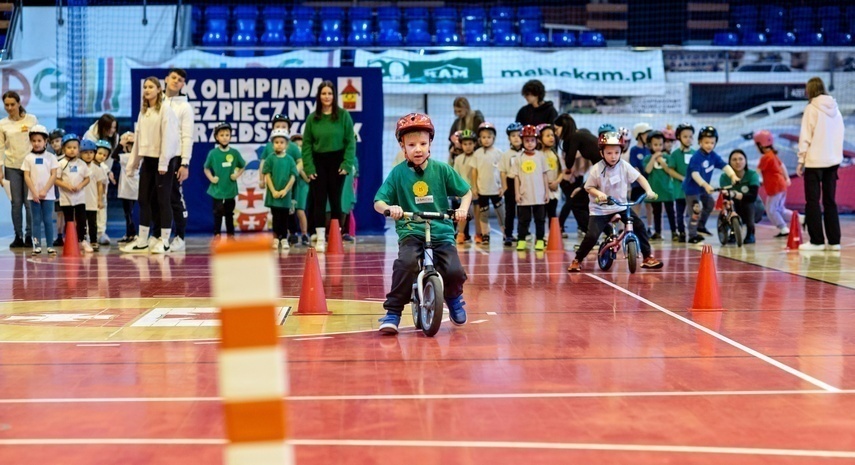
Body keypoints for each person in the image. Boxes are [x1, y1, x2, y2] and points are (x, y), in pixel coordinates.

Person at [374, 113, 471, 335]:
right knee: (406, 264)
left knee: (454, 270)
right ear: (402, 146)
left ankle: (454, 297)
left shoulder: (442, 169)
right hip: (412, 230)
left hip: (441, 231)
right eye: (411, 144)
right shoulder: (398, 174)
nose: (417, 149)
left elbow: (466, 192)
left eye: (422, 144)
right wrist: (391, 208)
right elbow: (378, 201)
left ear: (430, 144)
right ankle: (393, 312)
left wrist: (463, 208)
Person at [567, 131, 663, 272]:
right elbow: (589, 187)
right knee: (592, 236)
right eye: (609, 153)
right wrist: (599, 194)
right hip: (600, 208)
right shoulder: (596, 169)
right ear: (602, 153)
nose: (613, 156)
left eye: (617, 153)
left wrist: (648, 190)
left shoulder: (624, 166)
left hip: (621, 206)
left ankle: (648, 257)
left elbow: (640, 178)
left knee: (640, 226)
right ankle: (578, 259)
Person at [122, 76, 180, 254]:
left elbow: (169, 138)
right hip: (148, 160)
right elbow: (139, 141)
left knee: (163, 200)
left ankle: (164, 241)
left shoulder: (165, 110)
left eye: (151, 87)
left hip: (164, 161)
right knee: (143, 199)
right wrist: (132, 165)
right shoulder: (143, 112)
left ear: (158, 90)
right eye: (145, 87)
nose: (147, 90)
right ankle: (142, 240)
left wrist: (163, 162)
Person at [302, 80, 356, 253]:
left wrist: (347, 163)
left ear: (334, 96)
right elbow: (307, 145)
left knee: (335, 200)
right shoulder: (312, 118)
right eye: (324, 93)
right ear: (319, 96)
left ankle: (335, 236)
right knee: (318, 200)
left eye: (330, 94)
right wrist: (309, 168)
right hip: (318, 162)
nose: (327, 97)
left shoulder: (343, 115)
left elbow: (350, 142)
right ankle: (319, 237)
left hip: (337, 161)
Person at [797, 77, 844, 251]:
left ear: (810, 89)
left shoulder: (811, 108)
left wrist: (801, 160)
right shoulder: (836, 109)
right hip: (833, 162)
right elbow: (840, 135)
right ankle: (834, 242)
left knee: (812, 201)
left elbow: (805, 136)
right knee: (830, 201)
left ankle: (816, 241)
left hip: (815, 161)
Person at [684, 126, 740, 244]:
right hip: (692, 189)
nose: (709, 145)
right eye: (706, 142)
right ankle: (692, 235)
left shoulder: (713, 155)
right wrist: (705, 185)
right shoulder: (696, 157)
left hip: (704, 189)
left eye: (712, 142)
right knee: (696, 210)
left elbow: (724, 165)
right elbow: (695, 174)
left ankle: (701, 226)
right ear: (700, 142)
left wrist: (733, 175)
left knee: (709, 204)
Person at [259, 114, 309, 246]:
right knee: (276, 211)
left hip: (291, 185)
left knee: (290, 210)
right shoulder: (269, 148)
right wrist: (262, 179)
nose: (280, 128)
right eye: (277, 126)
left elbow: (300, 161)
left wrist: (293, 173)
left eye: (283, 126)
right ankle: (278, 236)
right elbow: (263, 163)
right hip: (274, 184)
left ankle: (292, 234)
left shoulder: (292, 147)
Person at [0, 91, 39, 248]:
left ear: (18, 103)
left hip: (30, 167)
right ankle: (18, 236)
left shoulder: (31, 119)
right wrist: (0, 169)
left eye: (12, 104)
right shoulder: (2, 124)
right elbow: (0, 147)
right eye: (6, 105)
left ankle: (30, 236)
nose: (9, 107)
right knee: (16, 203)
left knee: (29, 203)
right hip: (11, 167)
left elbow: (39, 141)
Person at [162, 68, 195, 251]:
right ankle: (160, 236)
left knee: (175, 197)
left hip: (175, 159)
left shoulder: (184, 107)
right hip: (157, 158)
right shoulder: (155, 104)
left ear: (183, 85)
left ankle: (180, 237)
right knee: (158, 199)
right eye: (173, 77)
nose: (176, 81)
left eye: (180, 80)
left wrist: (184, 163)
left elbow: (187, 137)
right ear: (166, 79)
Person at [204, 123, 246, 239]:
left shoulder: (234, 153)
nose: (225, 137)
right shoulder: (213, 153)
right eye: (221, 135)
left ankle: (230, 234)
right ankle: (217, 233)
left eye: (227, 135)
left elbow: (243, 165)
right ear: (217, 137)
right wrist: (211, 178)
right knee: (217, 212)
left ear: (230, 136)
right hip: (217, 188)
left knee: (229, 213)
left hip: (230, 188)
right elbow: (206, 168)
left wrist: (237, 175)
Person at [21, 125, 58, 255]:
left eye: (39, 140)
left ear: (45, 141)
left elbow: (54, 175)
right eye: (34, 141)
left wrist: (44, 190)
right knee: (35, 221)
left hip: (48, 195)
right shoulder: (28, 158)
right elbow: (27, 176)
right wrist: (35, 192)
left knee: (48, 220)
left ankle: (49, 245)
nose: (36, 143)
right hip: (34, 196)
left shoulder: (51, 157)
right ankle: (36, 245)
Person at [512, 125, 549, 251]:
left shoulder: (541, 156)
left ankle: (539, 240)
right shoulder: (518, 158)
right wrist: (517, 193)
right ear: (522, 141)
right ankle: (521, 239)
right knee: (523, 220)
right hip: (524, 194)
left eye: (532, 140)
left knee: (540, 220)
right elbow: (516, 177)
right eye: (527, 140)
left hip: (539, 194)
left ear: (536, 141)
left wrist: (547, 193)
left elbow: (544, 175)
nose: (529, 143)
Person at [263, 128, 298, 251]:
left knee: (284, 216)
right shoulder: (270, 159)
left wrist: (285, 190)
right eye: (276, 142)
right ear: (272, 144)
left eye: (282, 142)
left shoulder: (290, 159)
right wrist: (273, 191)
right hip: (273, 194)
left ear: (287, 144)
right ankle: (276, 237)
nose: (279, 144)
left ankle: (284, 238)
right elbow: (267, 175)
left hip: (285, 195)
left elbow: (293, 176)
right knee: (275, 216)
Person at [754, 130, 793, 238]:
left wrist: (750, 179)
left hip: (775, 187)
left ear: (760, 145)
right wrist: (787, 178)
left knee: (771, 209)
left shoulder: (765, 157)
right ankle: (802, 219)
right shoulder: (772, 155)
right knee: (780, 209)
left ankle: (783, 228)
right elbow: (782, 165)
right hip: (781, 185)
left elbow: (756, 172)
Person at [54, 134, 89, 250]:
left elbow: (87, 178)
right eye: (69, 147)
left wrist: (80, 186)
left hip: (80, 197)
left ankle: (82, 240)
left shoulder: (82, 164)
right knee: (69, 220)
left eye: (75, 147)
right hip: (66, 198)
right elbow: (56, 179)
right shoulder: (60, 164)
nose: (72, 150)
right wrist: (67, 186)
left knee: (82, 219)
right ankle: (70, 241)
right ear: (64, 149)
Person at [472, 122, 504, 244]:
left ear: (493, 138)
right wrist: (474, 187)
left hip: (496, 189)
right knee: (483, 214)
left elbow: (502, 172)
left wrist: (502, 187)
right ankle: (485, 234)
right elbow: (474, 172)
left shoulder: (499, 153)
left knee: (501, 213)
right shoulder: (477, 153)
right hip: (482, 189)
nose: (486, 140)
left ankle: (506, 233)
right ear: (480, 139)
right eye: (483, 137)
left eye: (489, 137)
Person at [719, 149, 761, 244]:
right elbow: (725, 196)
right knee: (729, 204)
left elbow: (752, 196)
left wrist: (736, 194)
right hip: (733, 203)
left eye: (740, 159)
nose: (738, 162)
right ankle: (733, 231)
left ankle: (750, 232)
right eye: (734, 159)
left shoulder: (752, 175)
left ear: (745, 161)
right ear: (729, 162)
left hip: (752, 204)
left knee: (748, 203)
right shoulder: (724, 177)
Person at [643, 131, 677, 241]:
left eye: (660, 144)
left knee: (670, 212)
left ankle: (674, 232)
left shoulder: (667, 157)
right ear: (650, 145)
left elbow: (669, 171)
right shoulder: (648, 158)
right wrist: (654, 158)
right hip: (655, 190)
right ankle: (657, 232)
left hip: (667, 190)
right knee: (656, 212)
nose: (658, 147)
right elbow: (647, 170)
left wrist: (661, 161)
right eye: (655, 145)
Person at [667, 123, 694, 242]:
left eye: (690, 136)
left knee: (694, 212)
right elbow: (670, 170)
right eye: (685, 136)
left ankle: (693, 233)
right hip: (680, 190)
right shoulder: (675, 154)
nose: (688, 139)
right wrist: (682, 178)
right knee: (680, 214)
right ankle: (682, 232)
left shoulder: (695, 153)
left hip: (693, 191)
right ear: (679, 137)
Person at [453, 129, 479, 243]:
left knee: (478, 214)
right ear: (461, 145)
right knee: (462, 214)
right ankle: (461, 233)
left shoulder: (478, 157)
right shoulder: (458, 159)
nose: (467, 146)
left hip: (477, 190)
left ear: (475, 144)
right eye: (465, 144)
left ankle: (479, 234)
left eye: (470, 144)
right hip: (463, 192)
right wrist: (457, 191)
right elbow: (456, 175)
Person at [499, 122, 523, 246]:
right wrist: (505, 187)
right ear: (509, 138)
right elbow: (502, 171)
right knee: (510, 212)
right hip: (510, 183)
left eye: (519, 135)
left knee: (523, 211)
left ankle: (523, 233)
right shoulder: (506, 154)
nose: (516, 138)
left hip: (524, 185)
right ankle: (508, 235)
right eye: (513, 135)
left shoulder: (526, 153)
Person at [80, 140, 105, 252]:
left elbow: (100, 185)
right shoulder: (78, 167)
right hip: (80, 200)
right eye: (85, 152)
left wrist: (99, 199)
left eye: (91, 152)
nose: (89, 155)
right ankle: (82, 240)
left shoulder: (97, 168)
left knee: (93, 223)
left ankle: (94, 241)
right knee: (81, 222)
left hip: (92, 200)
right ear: (80, 153)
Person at [116, 132, 139, 244]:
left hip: (129, 189)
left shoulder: (127, 156)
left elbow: (113, 155)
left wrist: (120, 144)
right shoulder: (137, 156)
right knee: (128, 213)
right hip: (130, 188)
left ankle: (133, 233)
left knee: (129, 213)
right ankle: (129, 233)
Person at [94, 140, 113, 245]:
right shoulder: (89, 166)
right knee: (91, 216)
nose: (102, 156)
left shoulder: (105, 167)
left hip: (102, 196)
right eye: (99, 153)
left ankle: (101, 233)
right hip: (91, 196)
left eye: (105, 155)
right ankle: (88, 234)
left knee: (102, 215)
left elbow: (105, 183)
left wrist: (102, 197)